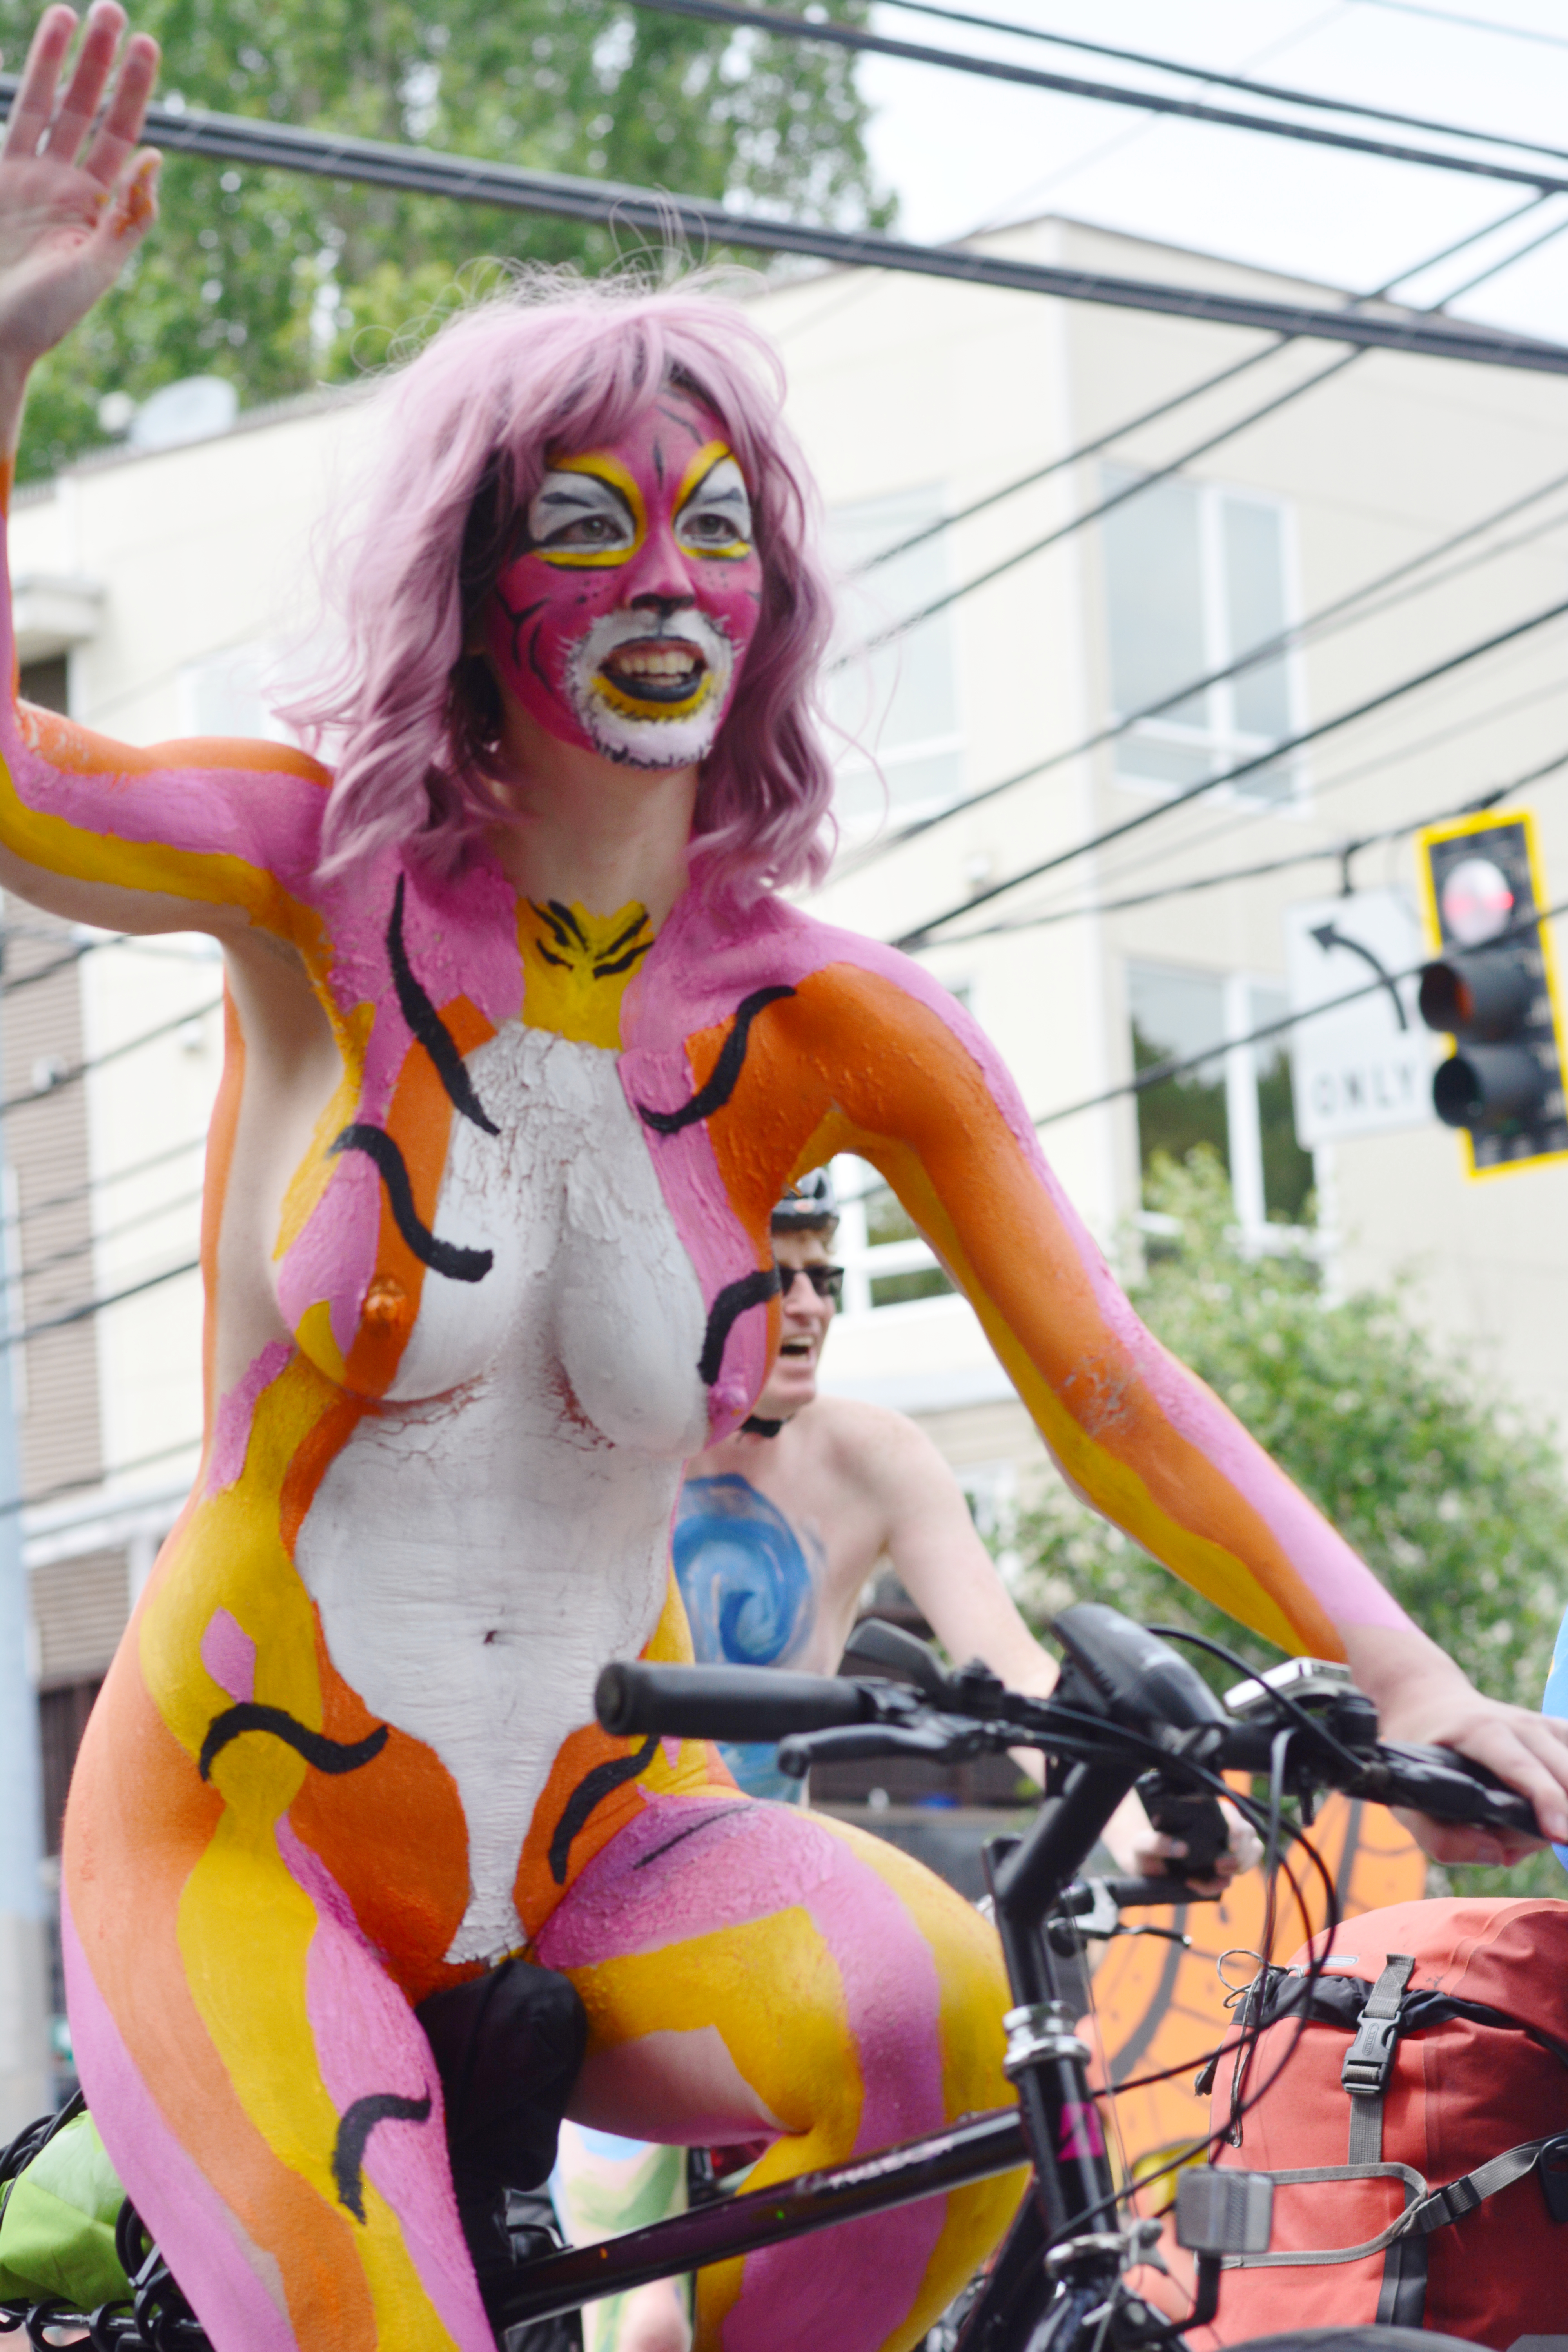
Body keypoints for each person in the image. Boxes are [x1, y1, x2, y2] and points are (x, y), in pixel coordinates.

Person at [2, 15, 1564, 2352]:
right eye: (589, 522)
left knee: (937, 2021)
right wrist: (9, 338)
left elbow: (1111, 1387)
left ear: (775, 603)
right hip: (246, 1838)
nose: (667, 576)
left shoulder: (837, 1021)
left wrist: (1418, 1673)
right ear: (477, 585)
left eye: (717, 527)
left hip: (598, 1848)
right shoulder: (309, 869)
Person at [554, 1172, 1258, 2352]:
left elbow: (1010, 1669)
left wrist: (1134, 1809)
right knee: (651, 2331)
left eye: (825, 1278)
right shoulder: (605, 1462)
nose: (811, 1305)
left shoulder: (873, 1456)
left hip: (778, 1915)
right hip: (600, 1907)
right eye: (774, 1277)